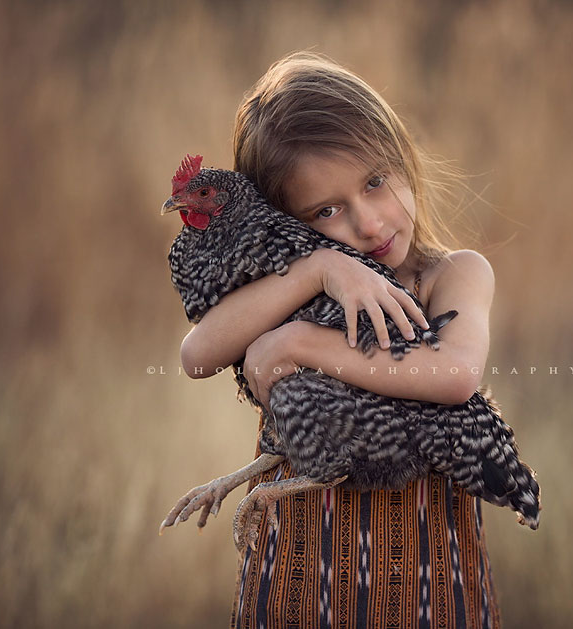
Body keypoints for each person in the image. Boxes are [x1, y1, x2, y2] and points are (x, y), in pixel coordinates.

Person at [180, 51, 500, 628]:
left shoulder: (449, 276)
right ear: (285, 220)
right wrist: (317, 269)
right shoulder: (288, 282)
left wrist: (299, 343)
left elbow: (455, 375)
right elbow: (197, 356)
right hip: (300, 558)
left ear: (403, 157)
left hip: (422, 563)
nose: (369, 224)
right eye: (326, 210)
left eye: (376, 182)